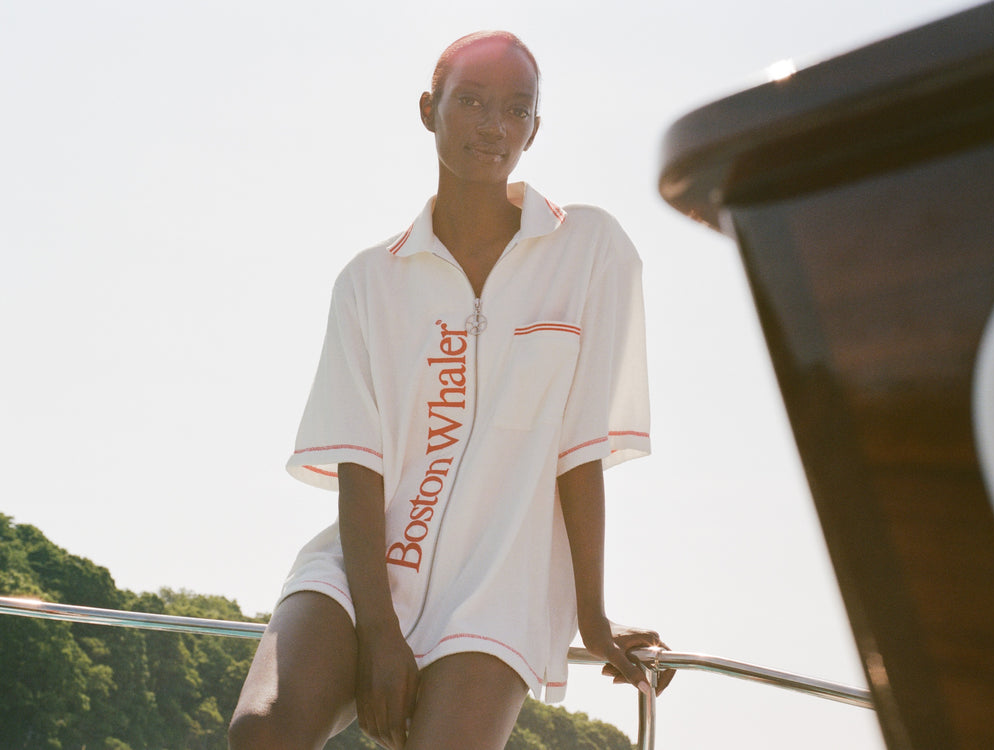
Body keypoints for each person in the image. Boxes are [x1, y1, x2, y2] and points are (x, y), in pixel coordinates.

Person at [228, 30, 671, 750]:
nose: (494, 125)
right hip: (363, 572)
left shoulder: (590, 251)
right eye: (470, 101)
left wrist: (591, 617)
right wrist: (380, 632)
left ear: (535, 128)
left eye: (516, 108)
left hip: (498, 589)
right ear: (428, 109)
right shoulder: (369, 282)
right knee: (262, 731)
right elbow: (360, 467)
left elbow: (579, 449)